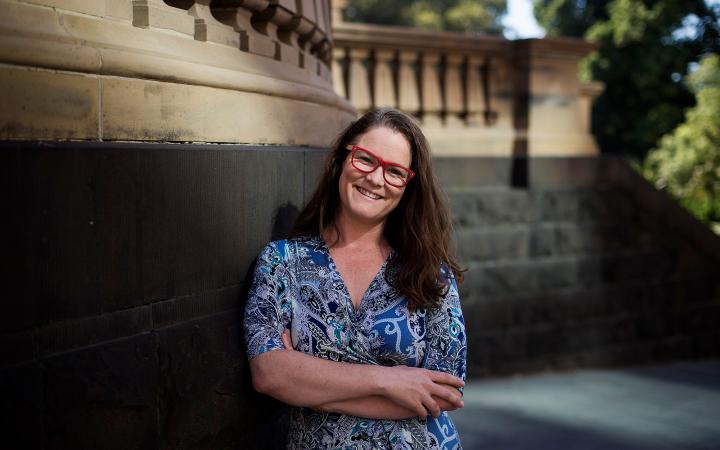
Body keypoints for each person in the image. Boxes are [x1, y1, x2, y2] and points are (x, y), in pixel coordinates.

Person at [244, 108, 467, 449]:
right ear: (343, 159)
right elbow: (268, 373)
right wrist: (389, 381)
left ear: (408, 185)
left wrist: (310, 387)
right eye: (366, 159)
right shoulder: (282, 262)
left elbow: (445, 394)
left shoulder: (430, 273)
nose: (376, 179)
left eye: (394, 172)